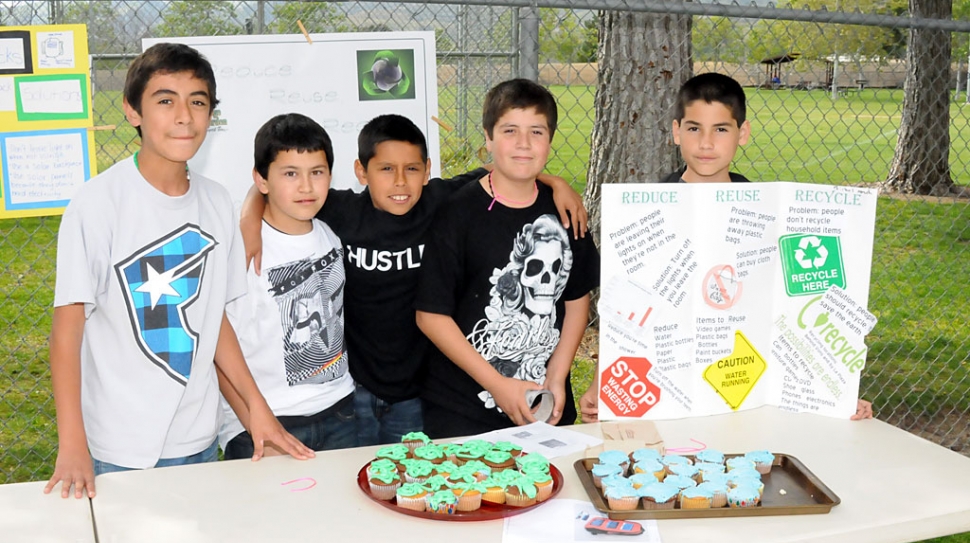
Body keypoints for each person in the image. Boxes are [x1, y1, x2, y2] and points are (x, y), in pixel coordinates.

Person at [44, 43, 313, 499]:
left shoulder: (215, 203)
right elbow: (66, 332)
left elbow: (214, 321)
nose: (184, 115)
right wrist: (72, 444)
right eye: (165, 100)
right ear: (133, 111)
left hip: (199, 436)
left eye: (198, 101)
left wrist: (257, 409)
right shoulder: (95, 204)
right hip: (118, 445)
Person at [240, 114, 588, 446]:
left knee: (409, 478)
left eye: (411, 169)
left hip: (416, 391)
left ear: (427, 172)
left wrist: (557, 183)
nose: (400, 182)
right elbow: (278, 186)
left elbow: (504, 168)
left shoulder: (439, 201)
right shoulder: (339, 209)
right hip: (356, 387)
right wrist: (248, 216)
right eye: (386, 169)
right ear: (361, 172)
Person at [579, 72, 873, 422]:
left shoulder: (768, 212)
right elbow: (631, 306)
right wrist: (604, 387)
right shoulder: (649, 214)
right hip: (672, 393)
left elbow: (796, 305)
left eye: (720, 129)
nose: (706, 143)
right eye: (693, 129)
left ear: (742, 134)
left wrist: (836, 393)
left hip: (743, 389)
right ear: (675, 132)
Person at [415, 78, 600, 437]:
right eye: (510, 130)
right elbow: (430, 316)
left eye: (536, 132)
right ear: (488, 137)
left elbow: (577, 301)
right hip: (462, 410)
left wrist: (557, 377)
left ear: (549, 140)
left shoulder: (566, 212)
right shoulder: (457, 213)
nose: (523, 144)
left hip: (545, 405)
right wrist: (498, 384)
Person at [218, 114, 356, 459]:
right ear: (261, 180)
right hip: (266, 421)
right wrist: (253, 421)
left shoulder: (331, 234)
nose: (306, 187)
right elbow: (214, 348)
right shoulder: (240, 247)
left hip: (341, 409)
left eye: (317, 172)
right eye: (290, 174)